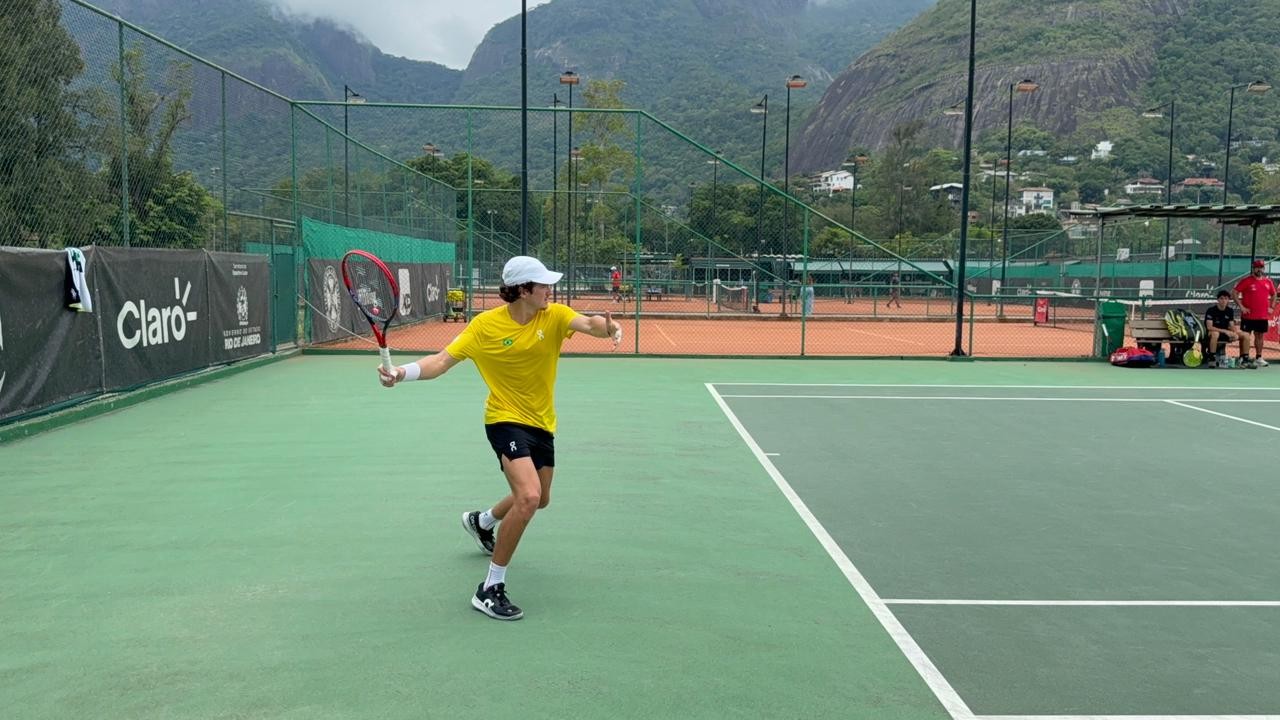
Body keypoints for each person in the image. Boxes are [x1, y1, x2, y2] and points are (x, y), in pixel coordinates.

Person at [377, 256, 622, 621]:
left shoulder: (553, 316)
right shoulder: (484, 328)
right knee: (529, 496)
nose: (549, 291)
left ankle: (483, 521)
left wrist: (609, 327)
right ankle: (490, 587)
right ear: (523, 291)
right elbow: (441, 361)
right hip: (504, 420)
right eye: (542, 285)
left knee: (541, 498)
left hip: (542, 422)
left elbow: (589, 324)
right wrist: (401, 372)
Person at [1234, 259, 1275, 367]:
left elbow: (1274, 294)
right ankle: (1243, 358)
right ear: (1253, 268)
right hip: (1248, 316)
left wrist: (1272, 307)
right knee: (1245, 336)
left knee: (1260, 336)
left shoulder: (1268, 281)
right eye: (1257, 267)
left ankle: (1259, 357)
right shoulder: (1246, 281)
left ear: (1263, 269)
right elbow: (1234, 292)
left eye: (1261, 267)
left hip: (1262, 316)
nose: (1259, 269)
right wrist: (1241, 306)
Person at [1203, 289, 1252, 367]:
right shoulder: (1211, 310)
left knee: (1246, 335)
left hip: (1226, 333)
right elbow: (1209, 327)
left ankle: (1244, 359)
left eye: (1226, 299)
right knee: (1215, 334)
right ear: (1218, 300)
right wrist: (1225, 331)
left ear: (1228, 300)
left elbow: (1232, 325)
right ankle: (1212, 358)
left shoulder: (1230, 311)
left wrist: (1234, 333)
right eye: (1221, 298)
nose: (1223, 301)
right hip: (1213, 332)